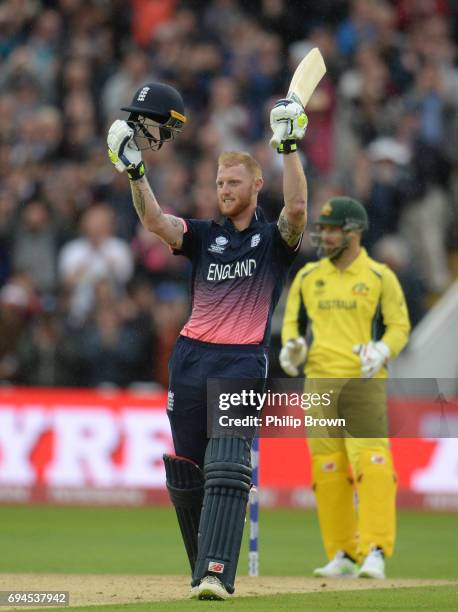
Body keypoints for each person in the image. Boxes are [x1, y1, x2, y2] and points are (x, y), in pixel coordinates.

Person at [107, 82, 308, 600]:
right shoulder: (201, 235)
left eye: (234, 181)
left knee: (226, 466)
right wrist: (135, 171)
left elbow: (299, 211)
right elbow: (154, 220)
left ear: (256, 184)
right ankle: (203, 570)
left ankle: (218, 572)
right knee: (189, 472)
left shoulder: (271, 240)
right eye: (220, 181)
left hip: (241, 360)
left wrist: (288, 148)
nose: (224, 188)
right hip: (191, 358)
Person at [280, 196, 410, 579]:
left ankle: (374, 550)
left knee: (371, 463)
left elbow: (399, 326)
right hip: (318, 383)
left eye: (333, 229)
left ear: (353, 232)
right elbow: (291, 323)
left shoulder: (379, 276)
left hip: (362, 381)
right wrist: (292, 348)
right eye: (322, 229)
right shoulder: (308, 277)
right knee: (329, 469)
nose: (325, 236)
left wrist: (383, 349)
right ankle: (343, 554)